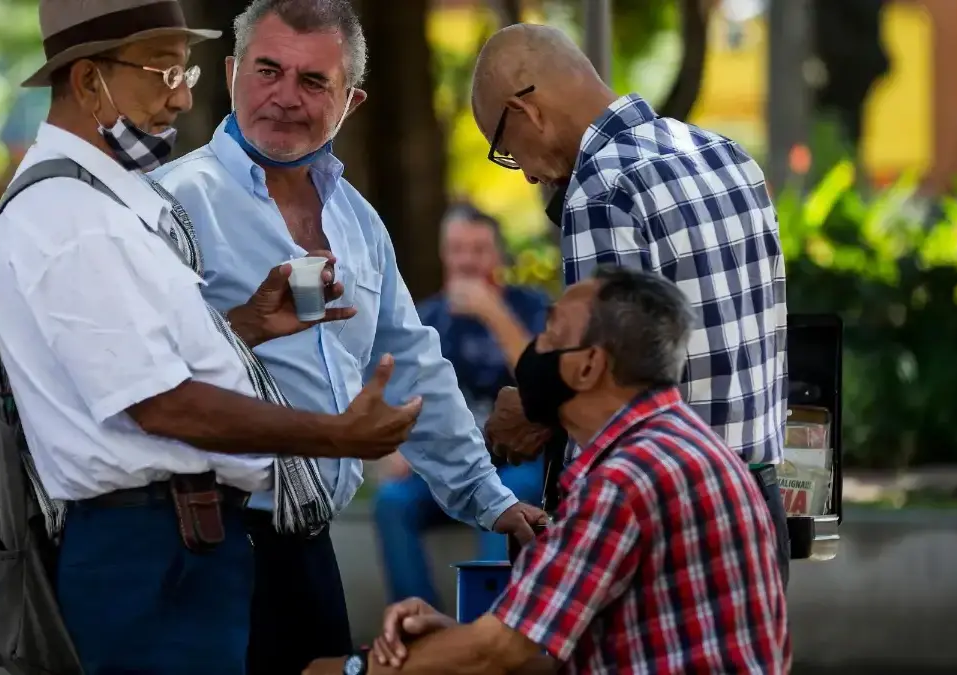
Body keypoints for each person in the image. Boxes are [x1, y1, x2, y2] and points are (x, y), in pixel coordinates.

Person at [0, 1, 421, 673]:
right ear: (86, 82)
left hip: (179, 550)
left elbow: (142, 358)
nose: (184, 95)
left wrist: (246, 324)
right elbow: (164, 403)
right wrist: (337, 435)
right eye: (162, 71)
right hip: (148, 551)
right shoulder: (73, 217)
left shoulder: (109, 203)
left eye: (182, 69)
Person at [150, 1, 547, 673]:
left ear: (350, 102)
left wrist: (491, 499)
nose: (284, 96)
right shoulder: (172, 202)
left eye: (313, 82)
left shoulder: (359, 222)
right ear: (232, 70)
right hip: (199, 547)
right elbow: (143, 378)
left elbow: (414, 366)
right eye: (268, 70)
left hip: (308, 549)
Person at [305, 267, 790, 675]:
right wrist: (455, 636)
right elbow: (543, 642)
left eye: (552, 333)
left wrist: (350, 668)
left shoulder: (625, 480)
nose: (534, 348)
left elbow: (497, 652)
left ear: (587, 367)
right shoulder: (678, 442)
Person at [469, 23, 792, 584]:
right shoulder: (726, 155)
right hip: (759, 503)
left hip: (664, 516)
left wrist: (533, 408)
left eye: (503, 149)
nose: (522, 172)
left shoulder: (602, 191)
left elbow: (598, 383)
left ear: (527, 112)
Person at [374, 203, 550, 606]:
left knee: (506, 494)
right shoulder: (426, 317)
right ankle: (420, 626)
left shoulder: (531, 307)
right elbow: (401, 395)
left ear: (499, 256)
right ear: (443, 254)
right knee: (392, 502)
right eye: (457, 249)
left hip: (515, 460)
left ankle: (484, 623)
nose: (467, 260)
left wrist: (492, 312)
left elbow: (542, 382)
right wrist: (400, 447)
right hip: (449, 463)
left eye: (478, 249)